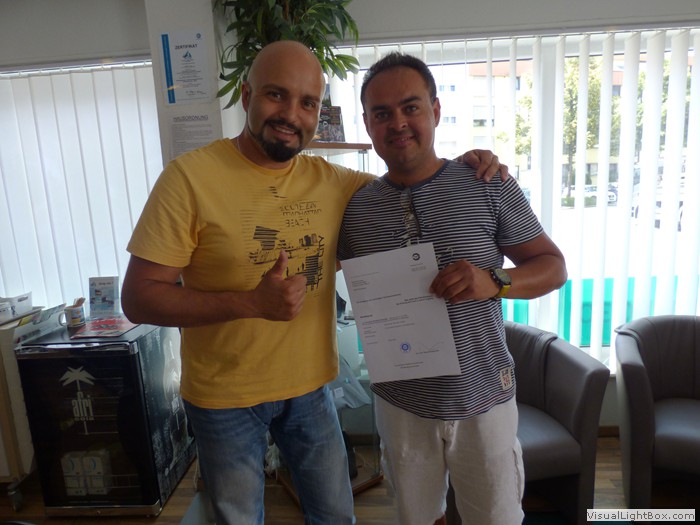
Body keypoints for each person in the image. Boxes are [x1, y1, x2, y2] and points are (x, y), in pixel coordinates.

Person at [121, 40, 506, 525]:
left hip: (310, 389)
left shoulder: (337, 184)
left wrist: (469, 167)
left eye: (307, 103)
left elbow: (411, 183)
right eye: (275, 95)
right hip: (223, 397)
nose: (291, 114)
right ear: (247, 96)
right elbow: (138, 298)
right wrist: (249, 303)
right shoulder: (188, 179)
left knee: (335, 517)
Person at [337, 52, 568, 525]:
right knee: (418, 518)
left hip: (483, 398)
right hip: (401, 403)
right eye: (382, 114)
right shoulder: (355, 209)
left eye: (410, 107)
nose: (398, 123)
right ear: (368, 124)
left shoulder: (487, 184)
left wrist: (494, 281)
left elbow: (553, 267)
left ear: (436, 111)